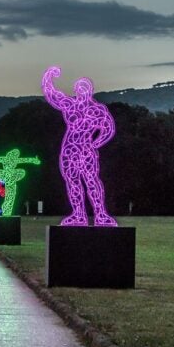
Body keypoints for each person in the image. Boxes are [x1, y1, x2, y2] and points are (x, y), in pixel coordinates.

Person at [42, 66, 117, 227]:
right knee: (73, 181)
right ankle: (78, 215)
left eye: (84, 89)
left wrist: (96, 143)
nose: (81, 91)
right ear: (76, 90)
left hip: (85, 150)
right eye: (78, 89)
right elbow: (52, 94)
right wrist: (48, 77)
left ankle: (101, 214)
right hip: (70, 150)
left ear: (89, 91)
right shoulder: (71, 106)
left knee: (92, 181)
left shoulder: (97, 110)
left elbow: (108, 128)